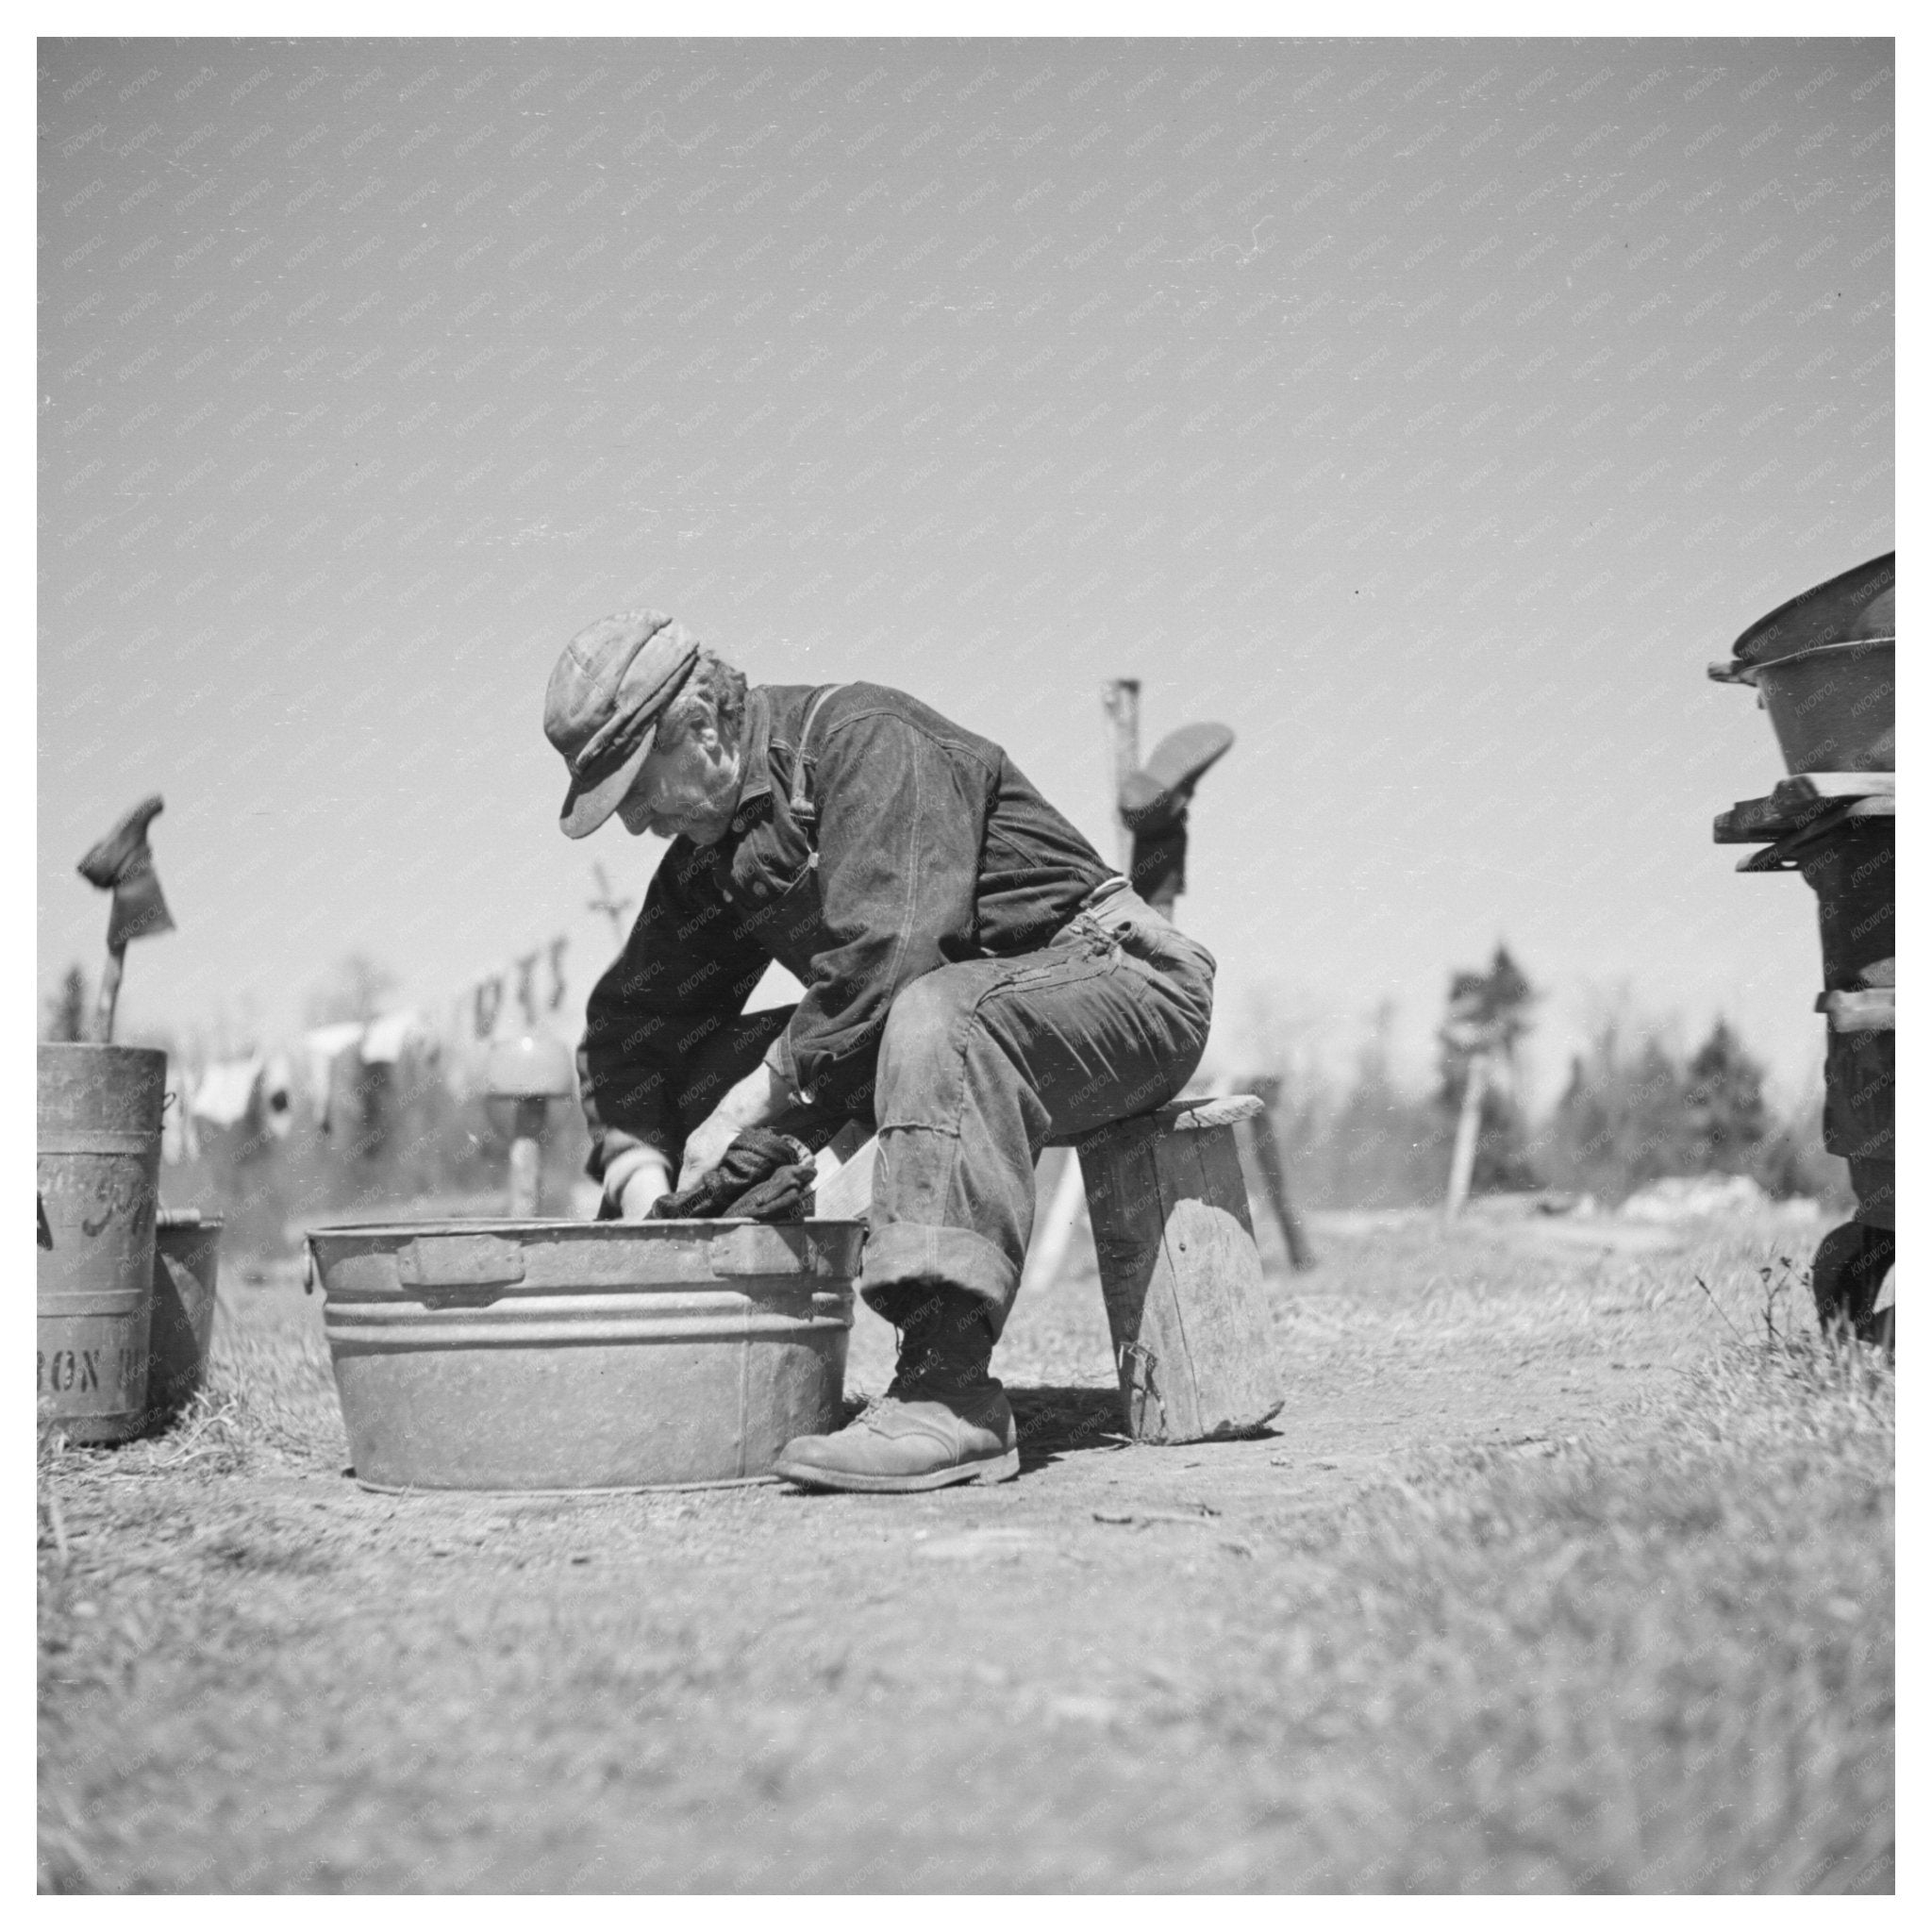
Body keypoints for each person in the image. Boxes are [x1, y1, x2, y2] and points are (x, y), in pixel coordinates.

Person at [544, 609, 1215, 1492]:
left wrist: (754, 1108)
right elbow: (635, 1029)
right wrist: (642, 1178)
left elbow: (896, 961)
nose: (636, 823)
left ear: (699, 727)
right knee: (714, 1065)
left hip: (1122, 984)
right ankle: (702, 1365)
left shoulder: (865, 740)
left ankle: (949, 1394)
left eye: (637, 786)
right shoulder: (716, 844)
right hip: (950, 1024)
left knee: (936, 1014)